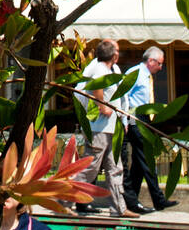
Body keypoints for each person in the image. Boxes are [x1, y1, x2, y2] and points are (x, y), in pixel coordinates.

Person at [74, 39, 140, 218]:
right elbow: (92, 88)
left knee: (115, 167)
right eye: (117, 50)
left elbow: (121, 96)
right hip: (98, 127)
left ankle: (119, 207)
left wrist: (124, 121)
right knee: (91, 167)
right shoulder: (98, 69)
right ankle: (63, 199)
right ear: (113, 54)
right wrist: (101, 108)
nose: (118, 53)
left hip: (113, 127)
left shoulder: (114, 70)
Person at [121, 45, 178, 213]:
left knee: (139, 163)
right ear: (151, 61)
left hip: (144, 118)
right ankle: (158, 199)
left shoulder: (147, 76)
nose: (161, 67)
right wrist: (127, 119)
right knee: (146, 158)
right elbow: (124, 95)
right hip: (135, 117)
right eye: (159, 64)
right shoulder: (135, 73)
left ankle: (132, 201)